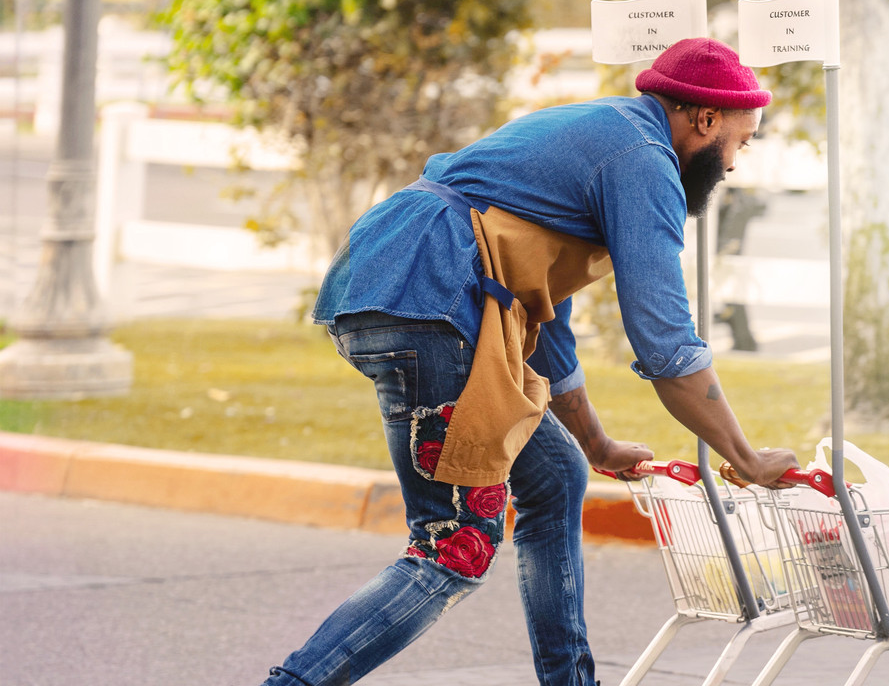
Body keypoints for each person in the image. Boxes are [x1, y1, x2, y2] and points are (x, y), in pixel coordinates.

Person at [262, 37, 800, 686]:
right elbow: (667, 346)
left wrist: (596, 442)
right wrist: (747, 457)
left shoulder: (608, 131)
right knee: (452, 547)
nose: (736, 163)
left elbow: (544, 318)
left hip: (393, 288)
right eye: (742, 141)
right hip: (433, 303)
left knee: (555, 474)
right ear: (704, 120)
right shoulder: (644, 161)